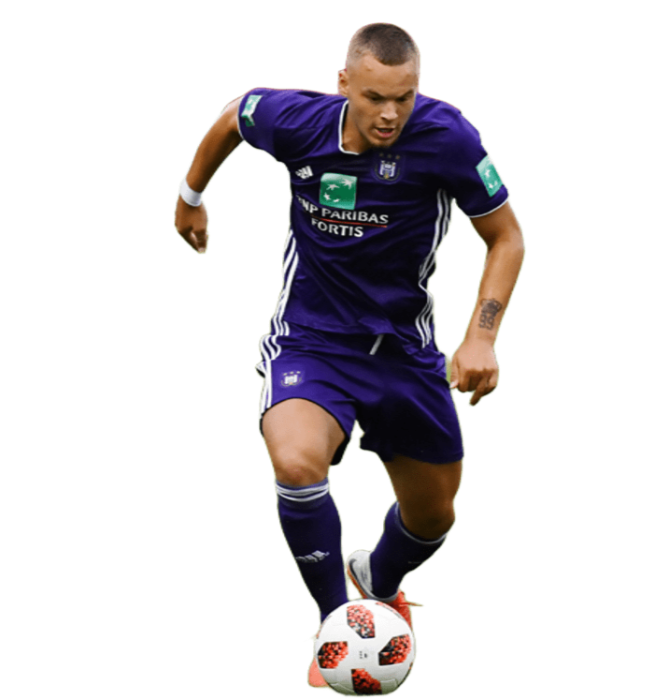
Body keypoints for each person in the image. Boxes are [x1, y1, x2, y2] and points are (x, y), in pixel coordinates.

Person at [174, 22, 525, 691]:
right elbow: (234, 116)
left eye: (404, 97)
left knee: (434, 516)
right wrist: (191, 195)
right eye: (373, 98)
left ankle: (377, 581)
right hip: (312, 339)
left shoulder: (448, 136)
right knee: (296, 460)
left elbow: (507, 237)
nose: (390, 113)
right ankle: (338, 626)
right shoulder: (296, 120)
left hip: (403, 350)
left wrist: (482, 336)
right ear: (343, 86)